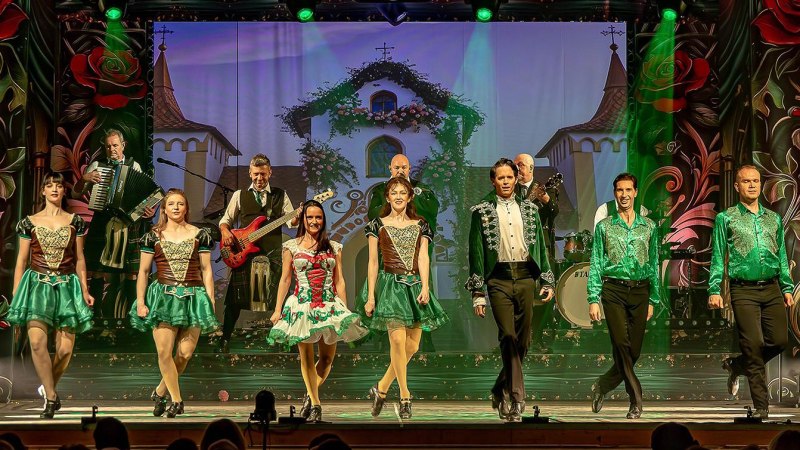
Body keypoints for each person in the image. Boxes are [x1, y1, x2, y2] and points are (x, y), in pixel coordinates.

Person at [465, 158, 555, 422]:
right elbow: (476, 253)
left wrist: (547, 280)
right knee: (507, 335)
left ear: (516, 179)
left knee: (524, 339)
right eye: (500, 178)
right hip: (498, 279)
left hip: (526, 277)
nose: (505, 182)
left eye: (509, 177)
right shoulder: (480, 211)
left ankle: (498, 388)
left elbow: (539, 246)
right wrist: (477, 292)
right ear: (493, 180)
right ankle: (517, 398)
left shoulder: (530, 209)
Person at [268, 200, 368, 422]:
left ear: (323, 220)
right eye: (310, 217)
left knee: (327, 359)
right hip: (302, 305)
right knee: (306, 357)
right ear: (303, 220)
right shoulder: (291, 247)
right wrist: (277, 310)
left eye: (318, 217)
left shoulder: (334, 247)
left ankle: (308, 395)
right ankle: (316, 404)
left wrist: (343, 307)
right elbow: (285, 279)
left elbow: (339, 280)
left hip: (328, 304)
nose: (314, 221)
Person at [357, 177, 448, 420]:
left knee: (413, 346)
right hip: (390, 287)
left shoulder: (421, 224)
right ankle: (405, 396)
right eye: (394, 192)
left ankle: (382, 387)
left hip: (414, 286)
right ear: (387, 197)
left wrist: (426, 286)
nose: (398, 196)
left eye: (403, 192)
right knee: (397, 342)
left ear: (410, 197)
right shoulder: (377, 225)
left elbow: (424, 258)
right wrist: (371, 296)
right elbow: (373, 262)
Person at [708, 165, 794, 420]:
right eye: (746, 182)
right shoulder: (727, 218)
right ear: (737, 186)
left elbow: (781, 256)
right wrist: (715, 289)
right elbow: (717, 257)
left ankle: (737, 364)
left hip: (771, 288)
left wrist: (787, 288)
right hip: (743, 289)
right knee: (753, 344)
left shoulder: (773, 218)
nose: (752, 185)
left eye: (756, 181)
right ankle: (761, 407)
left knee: (779, 341)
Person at [8, 172, 94, 418]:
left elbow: (79, 259)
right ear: (43, 191)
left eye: (58, 185)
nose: (54, 189)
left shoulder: (74, 221)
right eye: (49, 185)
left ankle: (48, 387)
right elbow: (21, 260)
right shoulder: (29, 222)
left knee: (65, 350)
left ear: (64, 191)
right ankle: (52, 397)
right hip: (37, 285)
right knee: (36, 343)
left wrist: (85, 290)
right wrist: (17, 293)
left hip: (67, 286)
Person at [130, 189, 218, 418]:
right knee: (163, 352)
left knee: (185, 354)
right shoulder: (153, 236)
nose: (176, 207)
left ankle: (160, 392)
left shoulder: (201, 235)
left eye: (180, 203)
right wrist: (141, 301)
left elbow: (207, 270)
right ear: (164, 208)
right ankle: (177, 400)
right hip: (163, 297)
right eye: (171, 204)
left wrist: (210, 300)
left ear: (186, 208)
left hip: (194, 296)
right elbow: (143, 271)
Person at [587, 173, 660, 419]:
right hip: (613, 290)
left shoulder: (649, 226)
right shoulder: (604, 227)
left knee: (634, 350)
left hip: (640, 290)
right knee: (620, 344)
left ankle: (603, 385)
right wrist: (593, 298)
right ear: (614, 193)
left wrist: (653, 299)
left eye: (629, 190)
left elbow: (654, 263)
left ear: (636, 192)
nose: (624, 195)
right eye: (620, 190)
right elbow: (596, 262)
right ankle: (635, 398)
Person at [217, 154, 297, 353]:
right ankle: (225, 340)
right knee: (235, 300)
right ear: (249, 173)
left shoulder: (280, 195)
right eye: (255, 174)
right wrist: (226, 231)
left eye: (263, 174)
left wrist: (298, 217)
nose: (259, 178)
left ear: (270, 173)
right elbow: (225, 220)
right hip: (244, 253)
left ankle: (286, 341)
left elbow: (290, 223)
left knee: (280, 298)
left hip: (273, 253)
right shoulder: (239, 195)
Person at [71, 129, 155, 319]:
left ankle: (132, 319)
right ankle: (96, 316)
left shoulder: (135, 166)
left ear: (123, 145)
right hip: (103, 222)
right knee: (98, 271)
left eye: (115, 145)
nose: (112, 150)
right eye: (108, 146)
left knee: (131, 273)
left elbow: (143, 196)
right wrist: (83, 179)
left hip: (127, 225)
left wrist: (147, 212)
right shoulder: (96, 165)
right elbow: (76, 194)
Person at [366, 153, 439, 352]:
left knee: (423, 289)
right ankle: (383, 336)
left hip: (416, 248)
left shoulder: (421, 189)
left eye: (404, 167)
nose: (400, 170)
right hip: (389, 252)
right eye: (396, 167)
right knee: (387, 291)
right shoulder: (381, 190)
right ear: (390, 169)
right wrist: (391, 195)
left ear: (409, 169)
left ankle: (426, 338)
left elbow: (432, 210)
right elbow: (373, 214)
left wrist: (410, 196)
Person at [514, 153, 559, 353]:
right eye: (515, 165)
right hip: (515, 251)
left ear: (531, 169)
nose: (517, 168)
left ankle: (538, 336)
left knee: (544, 293)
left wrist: (547, 199)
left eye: (520, 165)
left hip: (539, 251)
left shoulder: (542, 188)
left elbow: (554, 212)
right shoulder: (508, 190)